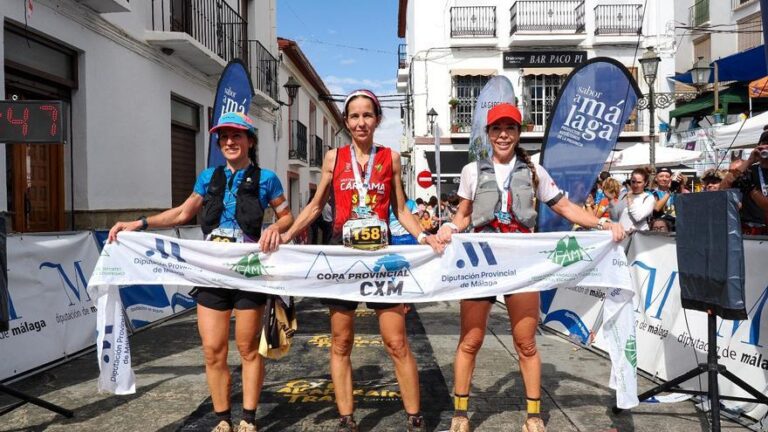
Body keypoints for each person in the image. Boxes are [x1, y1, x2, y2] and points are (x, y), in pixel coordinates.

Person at [434, 103, 625, 432]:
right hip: (482, 264)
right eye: (497, 128)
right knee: (470, 340)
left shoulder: (535, 170)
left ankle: (534, 415)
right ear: (489, 133)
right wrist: (449, 228)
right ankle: (461, 413)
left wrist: (601, 223)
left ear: (519, 133)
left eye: (510, 128)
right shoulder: (471, 171)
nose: (503, 134)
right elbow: (463, 214)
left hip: (522, 266)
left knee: (526, 342)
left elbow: (564, 206)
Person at [264, 89, 443, 432]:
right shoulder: (333, 157)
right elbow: (316, 207)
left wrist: (423, 236)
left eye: (367, 115)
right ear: (346, 122)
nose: (361, 122)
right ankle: (347, 419)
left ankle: (415, 418)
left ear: (377, 119)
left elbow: (402, 209)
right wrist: (286, 235)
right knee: (341, 341)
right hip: (342, 256)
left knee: (396, 341)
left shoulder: (390, 158)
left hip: (380, 257)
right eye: (355, 116)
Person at [107, 112, 293, 432]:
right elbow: (182, 213)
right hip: (210, 274)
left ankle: (248, 417)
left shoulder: (267, 179)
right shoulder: (207, 177)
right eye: (224, 137)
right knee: (212, 350)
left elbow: (287, 216)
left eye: (237, 136)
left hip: (248, 272)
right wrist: (138, 224)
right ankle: (223, 418)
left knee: (248, 349)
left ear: (250, 140)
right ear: (219, 144)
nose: (230, 142)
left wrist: (276, 227)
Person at [721, 131, 768, 235]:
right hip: (752, 233)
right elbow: (723, 189)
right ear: (758, 146)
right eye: (764, 142)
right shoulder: (750, 170)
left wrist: (751, 190)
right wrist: (749, 161)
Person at [618, 168, 655, 232]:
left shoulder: (648, 197)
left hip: (639, 237)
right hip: (622, 236)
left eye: (639, 182)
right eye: (633, 182)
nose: (635, 185)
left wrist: (629, 199)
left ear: (645, 183)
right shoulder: (623, 195)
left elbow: (638, 217)